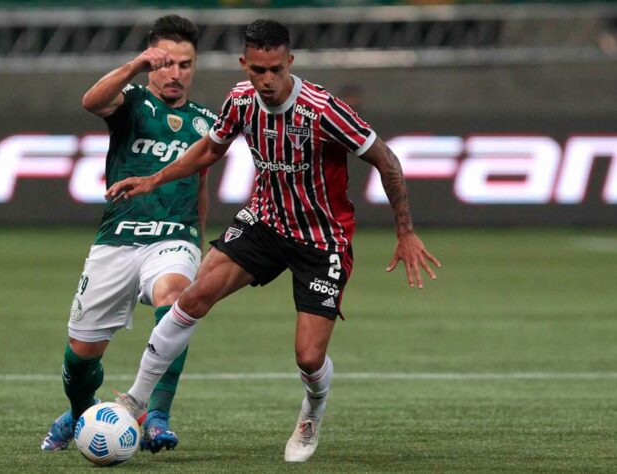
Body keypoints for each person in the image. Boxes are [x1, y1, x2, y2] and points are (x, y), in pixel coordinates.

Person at [105, 19, 441, 463]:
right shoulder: (242, 101)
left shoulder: (323, 110)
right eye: (257, 69)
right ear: (245, 63)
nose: (266, 80)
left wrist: (406, 230)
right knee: (193, 297)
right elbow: (210, 149)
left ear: (290, 63)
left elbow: (388, 161)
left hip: (321, 240)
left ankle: (312, 410)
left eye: (275, 70)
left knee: (307, 357)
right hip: (264, 223)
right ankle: (136, 399)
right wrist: (155, 179)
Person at [40, 15, 216, 455]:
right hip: (116, 239)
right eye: (166, 63)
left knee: (176, 298)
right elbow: (90, 101)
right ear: (152, 63)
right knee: (80, 358)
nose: (175, 73)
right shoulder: (133, 101)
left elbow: (201, 185)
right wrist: (136, 65)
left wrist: (197, 243)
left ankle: (157, 414)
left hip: (173, 239)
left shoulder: (207, 122)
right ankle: (81, 414)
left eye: (185, 64)